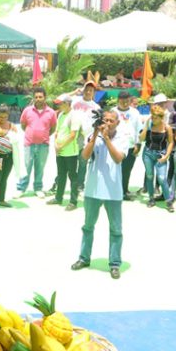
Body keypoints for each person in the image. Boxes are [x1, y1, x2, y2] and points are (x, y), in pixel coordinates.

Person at [70, 110, 126, 279]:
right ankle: (84, 258)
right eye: (105, 120)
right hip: (92, 190)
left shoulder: (122, 138)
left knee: (116, 229)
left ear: (117, 123)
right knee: (88, 226)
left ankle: (115, 263)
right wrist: (95, 134)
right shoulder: (94, 136)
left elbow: (118, 158)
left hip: (113, 191)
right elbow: (84, 156)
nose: (107, 123)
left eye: (111, 120)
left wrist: (107, 138)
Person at [16, 86, 57, 198]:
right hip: (29, 144)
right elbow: (23, 125)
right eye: (36, 97)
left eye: (40, 97)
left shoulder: (51, 112)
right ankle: (21, 189)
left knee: (40, 167)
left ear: (45, 98)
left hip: (43, 145)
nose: (38, 99)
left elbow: (53, 128)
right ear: (33, 98)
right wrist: (32, 134)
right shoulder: (27, 110)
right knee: (26, 167)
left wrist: (43, 135)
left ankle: (38, 188)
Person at [139, 104, 174, 211]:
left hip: (161, 154)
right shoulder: (149, 126)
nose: (153, 119)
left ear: (161, 117)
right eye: (152, 117)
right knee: (149, 176)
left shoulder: (167, 128)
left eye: (156, 117)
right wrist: (146, 126)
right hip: (148, 153)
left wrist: (166, 156)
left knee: (162, 178)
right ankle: (151, 198)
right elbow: (141, 139)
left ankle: (168, 201)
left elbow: (171, 142)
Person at [48, 94, 80, 210]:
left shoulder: (74, 116)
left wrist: (60, 145)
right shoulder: (61, 114)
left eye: (60, 103)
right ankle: (58, 197)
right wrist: (56, 144)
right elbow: (57, 131)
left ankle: (73, 201)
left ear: (67, 104)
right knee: (61, 175)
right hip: (60, 152)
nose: (58, 105)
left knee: (73, 177)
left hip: (70, 152)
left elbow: (72, 135)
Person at [70, 81, 101, 193]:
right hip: (72, 135)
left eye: (91, 90)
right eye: (86, 89)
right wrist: (74, 92)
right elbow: (62, 98)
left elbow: (97, 124)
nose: (88, 92)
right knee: (68, 161)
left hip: (85, 137)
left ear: (94, 93)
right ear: (83, 90)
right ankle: (59, 183)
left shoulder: (96, 107)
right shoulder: (75, 101)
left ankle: (79, 185)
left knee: (83, 163)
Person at [113, 90, 142, 200]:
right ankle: (114, 191)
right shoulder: (113, 111)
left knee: (126, 170)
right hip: (116, 147)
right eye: (122, 101)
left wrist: (138, 145)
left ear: (130, 101)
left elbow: (139, 129)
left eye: (127, 101)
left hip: (130, 146)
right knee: (115, 170)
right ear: (118, 100)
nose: (125, 103)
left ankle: (124, 191)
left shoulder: (135, 112)